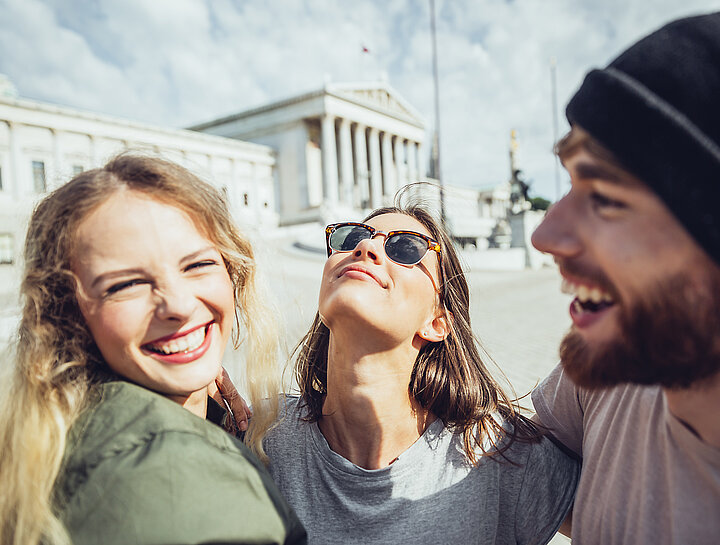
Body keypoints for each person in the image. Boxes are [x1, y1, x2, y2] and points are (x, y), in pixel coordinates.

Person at [0, 155, 306, 545]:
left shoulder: (55, 429)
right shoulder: (176, 473)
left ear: (233, 273)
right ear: (68, 314)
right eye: (125, 285)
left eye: (197, 264)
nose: (177, 304)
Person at [260, 204, 579, 544]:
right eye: (351, 237)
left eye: (405, 248)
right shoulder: (260, 434)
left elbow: (626, 517)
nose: (365, 248)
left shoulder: (493, 451)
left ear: (437, 322)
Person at [530, 12, 720, 545]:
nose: (544, 235)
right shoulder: (621, 360)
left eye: (606, 198)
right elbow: (527, 453)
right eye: (569, 183)